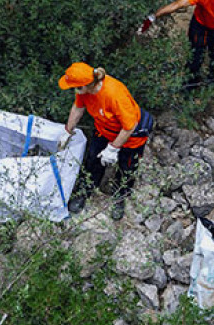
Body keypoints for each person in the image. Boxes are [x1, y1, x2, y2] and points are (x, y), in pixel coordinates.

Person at [58, 62, 152, 219]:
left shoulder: (114, 94)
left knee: (126, 168)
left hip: (130, 137)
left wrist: (113, 148)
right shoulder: (83, 91)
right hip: (105, 131)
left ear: (86, 84)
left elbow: (130, 126)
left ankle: (120, 197)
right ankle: (85, 191)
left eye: (75, 87)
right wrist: (68, 131)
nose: (74, 90)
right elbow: (78, 108)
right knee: (93, 160)